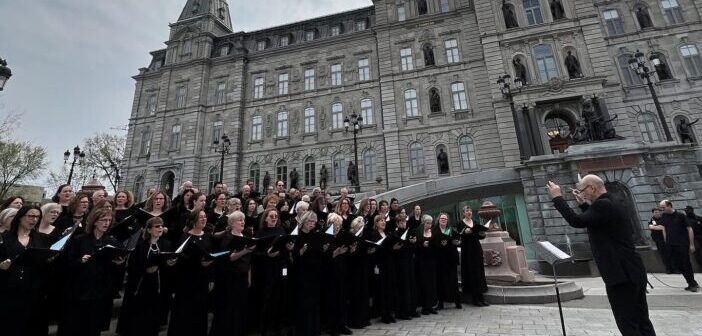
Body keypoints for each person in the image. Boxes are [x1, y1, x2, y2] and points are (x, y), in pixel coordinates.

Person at [547, 176, 656, 336]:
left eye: (583, 190)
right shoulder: (613, 201)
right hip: (633, 270)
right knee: (641, 320)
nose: (582, 194)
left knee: (628, 323)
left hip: (620, 274)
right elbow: (599, 221)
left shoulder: (602, 205)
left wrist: (557, 198)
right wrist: (584, 205)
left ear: (592, 188)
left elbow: (576, 221)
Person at [58, 207, 126, 336]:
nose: (106, 223)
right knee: (76, 324)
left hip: (101, 289)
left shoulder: (112, 241)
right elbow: (68, 263)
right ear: (95, 221)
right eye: (103, 220)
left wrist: (119, 262)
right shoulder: (80, 239)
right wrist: (81, 260)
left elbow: (117, 264)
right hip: (80, 288)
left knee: (94, 325)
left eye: (109, 220)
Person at [0, 205, 52, 336]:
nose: (34, 219)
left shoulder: (42, 239)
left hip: (33, 290)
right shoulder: (4, 238)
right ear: (20, 217)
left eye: (37, 217)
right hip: (9, 290)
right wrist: (1, 266)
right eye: (30, 216)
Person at [117, 217, 173, 336]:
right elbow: (132, 266)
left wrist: (169, 263)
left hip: (158, 284)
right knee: (139, 314)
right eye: (157, 226)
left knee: (154, 314)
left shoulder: (166, 244)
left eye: (161, 226)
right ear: (148, 230)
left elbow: (169, 264)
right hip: (142, 284)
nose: (160, 228)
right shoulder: (140, 246)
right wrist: (145, 269)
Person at [167, 210, 214, 336]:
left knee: (200, 309)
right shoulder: (185, 237)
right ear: (193, 221)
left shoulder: (208, 236)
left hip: (203, 277)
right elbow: (179, 257)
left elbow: (211, 257)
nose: (204, 219)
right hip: (187, 278)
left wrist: (211, 279)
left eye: (205, 217)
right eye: (201, 218)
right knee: (184, 309)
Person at [209, 211, 256, 336]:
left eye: (243, 220)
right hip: (230, 277)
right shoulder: (228, 238)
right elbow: (229, 258)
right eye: (239, 220)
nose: (242, 222)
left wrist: (249, 277)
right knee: (228, 307)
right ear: (232, 223)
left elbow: (249, 261)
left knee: (240, 307)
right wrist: (245, 251)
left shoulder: (246, 237)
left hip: (243, 276)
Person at [658, 200, 699, 292]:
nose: (662, 209)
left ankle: (691, 283)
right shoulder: (664, 216)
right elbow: (664, 228)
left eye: (663, 207)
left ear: (669, 206)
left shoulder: (680, 216)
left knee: (686, 263)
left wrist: (691, 244)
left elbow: (689, 229)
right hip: (671, 244)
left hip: (682, 244)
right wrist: (666, 241)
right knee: (678, 265)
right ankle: (692, 281)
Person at [457, 206, 489, 306]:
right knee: (471, 273)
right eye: (467, 211)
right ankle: (475, 299)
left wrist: (483, 234)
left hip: (476, 250)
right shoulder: (460, 224)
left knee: (479, 272)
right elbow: (458, 236)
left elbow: (479, 236)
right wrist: (464, 233)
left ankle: (481, 297)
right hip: (467, 251)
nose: (469, 212)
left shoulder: (475, 222)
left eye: (470, 210)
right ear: (463, 213)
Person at [393, 214, 419, 319]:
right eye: (401, 222)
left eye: (404, 222)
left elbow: (414, 248)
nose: (403, 224)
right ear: (397, 223)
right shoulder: (395, 234)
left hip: (409, 261)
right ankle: (403, 312)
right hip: (400, 263)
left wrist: (413, 242)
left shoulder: (409, 232)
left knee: (411, 285)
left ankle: (412, 310)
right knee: (403, 287)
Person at [434, 213, 461, 310]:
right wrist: (440, 244)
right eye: (442, 218)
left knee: (453, 280)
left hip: (451, 259)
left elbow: (458, 240)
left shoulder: (451, 230)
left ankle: (457, 302)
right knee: (440, 281)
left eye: (445, 219)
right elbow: (433, 244)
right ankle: (440, 303)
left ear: (447, 220)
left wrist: (456, 242)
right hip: (440, 259)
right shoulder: (435, 230)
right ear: (438, 219)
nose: (444, 220)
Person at [416, 214, 438, 315]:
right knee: (424, 283)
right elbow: (415, 246)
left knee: (432, 283)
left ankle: (431, 306)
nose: (429, 225)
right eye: (427, 223)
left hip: (431, 260)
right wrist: (422, 244)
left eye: (430, 223)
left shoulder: (433, 232)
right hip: (422, 261)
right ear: (423, 223)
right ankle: (425, 306)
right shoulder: (419, 232)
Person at [648, 207, 675, 273]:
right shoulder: (651, 220)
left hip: (667, 239)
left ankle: (675, 268)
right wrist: (660, 227)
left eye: (658, 212)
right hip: (659, 241)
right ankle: (668, 269)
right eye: (655, 212)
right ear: (653, 213)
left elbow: (666, 226)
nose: (657, 213)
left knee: (671, 254)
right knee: (664, 256)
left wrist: (659, 227)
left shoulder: (663, 219)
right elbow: (651, 227)